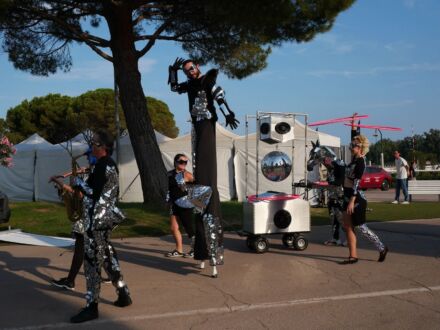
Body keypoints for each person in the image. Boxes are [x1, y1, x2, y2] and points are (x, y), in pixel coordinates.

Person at [168, 58, 239, 276]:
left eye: (191, 68)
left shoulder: (207, 80)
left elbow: (219, 95)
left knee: (206, 175)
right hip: (196, 125)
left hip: (207, 122)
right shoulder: (189, 84)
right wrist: (172, 70)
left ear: (197, 67)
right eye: (186, 70)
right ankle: (200, 252)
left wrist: (228, 113)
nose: (189, 72)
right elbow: (173, 87)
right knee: (198, 165)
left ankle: (209, 251)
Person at [70, 131, 131, 323]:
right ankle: (122, 292)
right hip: (103, 220)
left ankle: (92, 306)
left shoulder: (103, 166)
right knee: (107, 256)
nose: (90, 148)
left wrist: (78, 182)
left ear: (102, 147)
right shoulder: (107, 165)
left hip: (96, 221)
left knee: (92, 262)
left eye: (94, 145)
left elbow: (93, 193)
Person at [340, 135, 388, 264]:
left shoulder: (361, 161)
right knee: (348, 227)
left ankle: (382, 248)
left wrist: (351, 201)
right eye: (352, 145)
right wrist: (354, 125)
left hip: (356, 199)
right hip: (347, 197)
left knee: (361, 227)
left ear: (361, 148)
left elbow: (356, 182)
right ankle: (353, 256)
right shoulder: (354, 160)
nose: (351, 147)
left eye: (354, 145)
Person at [165, 154, 196, 258]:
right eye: (181, 161)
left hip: (185, 204)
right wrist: (167, 200)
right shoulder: (169, 174)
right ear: (175, 162)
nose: (184, 164)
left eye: (186, 162)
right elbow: (169, 189)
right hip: (174, 204)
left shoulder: (187, 175)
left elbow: (198, 185)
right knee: (174, 228)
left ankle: (196, 249)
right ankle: (179, 250)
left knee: (189, 227)